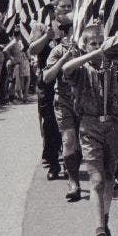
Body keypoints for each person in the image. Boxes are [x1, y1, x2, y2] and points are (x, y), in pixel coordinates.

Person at [60, 20, 118, 236]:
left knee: (109, 178)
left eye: (101, 42)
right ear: (84, 46)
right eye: (92, 44)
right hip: (90, 126)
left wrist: (110, 56)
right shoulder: (82, 69)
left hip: (115, 126)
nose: (98, 47)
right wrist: (94, 55)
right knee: (96, 180)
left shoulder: (114, 67)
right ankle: (99, 234)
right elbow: (66, 69)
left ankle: (105, 222)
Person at [29, 0, 73, 178]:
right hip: (47, 81)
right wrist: (47, 36)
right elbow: (32, 49)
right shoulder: (43, 26)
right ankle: (53, 164)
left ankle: (71, 162)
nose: (66, 10)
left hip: (69, 81)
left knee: (71, 122)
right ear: (55, 10)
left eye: (70, 7)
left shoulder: (74, 25)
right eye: (63, 7)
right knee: (50, 123)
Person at [43, 32, 83, 200]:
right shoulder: (57, 51)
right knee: (69, 139)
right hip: (64, 101)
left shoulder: (87, 47)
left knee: (81, 143)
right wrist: (64, 57)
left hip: (84, 100)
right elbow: (47, 77)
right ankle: (74, 183)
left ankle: (73, 169)